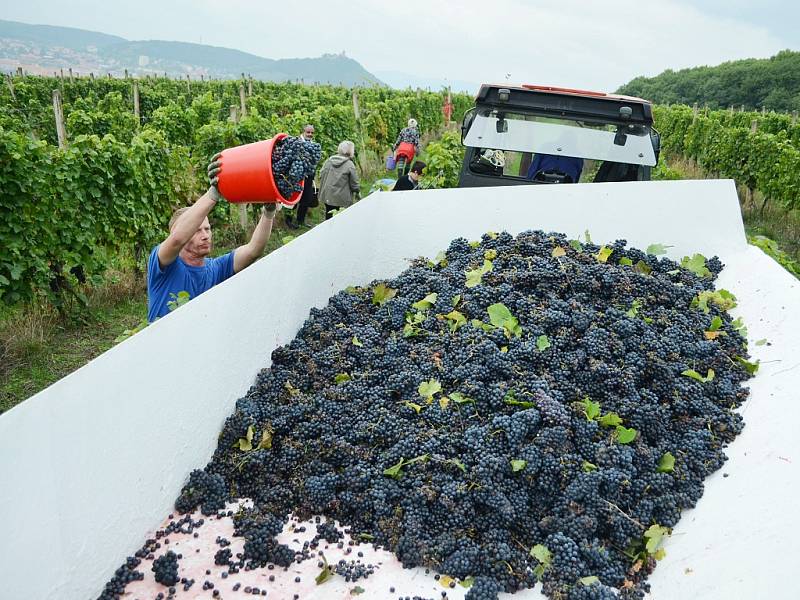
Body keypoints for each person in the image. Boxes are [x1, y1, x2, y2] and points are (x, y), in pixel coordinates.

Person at [146, 156, 278, 322]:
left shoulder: (216, 268)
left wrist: (269, 212)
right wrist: (214, 193)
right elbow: (177, 239)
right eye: (197, 230)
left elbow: (253, 250)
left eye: (207, 229)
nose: (205, 235)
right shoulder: (163, 265)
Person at [285, 124, 318, 229]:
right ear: (303, 132)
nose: (310, 134)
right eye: (308, 132)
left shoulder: (313, 144)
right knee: (293, 197)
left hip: (308, 176)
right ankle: (288, 221)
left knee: (306, 198)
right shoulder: (297, 142)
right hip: (297, 175)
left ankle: (300, 220)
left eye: (312, 133)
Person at [318, 140, 360, 219]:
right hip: (342, 199)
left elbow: (321, 174)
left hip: (328, 195)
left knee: (329, 216)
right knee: (341, 218)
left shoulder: (329, 161)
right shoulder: (349, 165)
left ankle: (328, 230)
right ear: (350, 151)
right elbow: (354, 184)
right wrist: (357, 191)